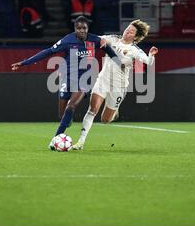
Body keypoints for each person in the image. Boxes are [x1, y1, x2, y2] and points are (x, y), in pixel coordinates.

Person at [11, 16, 121, 150]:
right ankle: (67, 120)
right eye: (78, 28)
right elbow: (48, 52)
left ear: (88, 29)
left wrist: (121, 65)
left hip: (84, 80)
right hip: (67, 79)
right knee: (62, 115)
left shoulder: (95, 40)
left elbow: (110, 51)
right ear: (75, 29)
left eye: (84, 28)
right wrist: (24, 63)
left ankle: (55, 138)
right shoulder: (67, 40)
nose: (81, 30)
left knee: (71, 106)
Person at [71, 19, 159, 151]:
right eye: (127, 29)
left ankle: (114, 112)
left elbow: (148, 62)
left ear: (135, 37)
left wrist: (151, 55)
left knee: (105, 120)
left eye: (131, 32)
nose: (127, 31)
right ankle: (81, 142)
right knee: (92, 110)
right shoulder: (113, 39)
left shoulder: (134, 50)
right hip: (103, 80)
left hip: (119, 86)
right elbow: (96, 39)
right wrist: (82, 36)